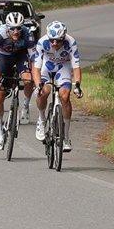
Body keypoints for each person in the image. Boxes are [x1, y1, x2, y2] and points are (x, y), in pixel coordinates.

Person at [31, 21, 83, 152]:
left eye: (58, 41)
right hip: (46, 68)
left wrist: (77, 85)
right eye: (52, 40)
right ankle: (42, 120)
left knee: (65, 97)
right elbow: (36, 68)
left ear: (63, 38)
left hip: (63, 68)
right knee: (43, 92)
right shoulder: (42, 42)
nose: (54, 44)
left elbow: (76, 67)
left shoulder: (71, 43)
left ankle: (65, 136)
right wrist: (38, 86)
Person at [0, 12, 37, 151]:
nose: (16, 32)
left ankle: (25, 106)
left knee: (28, 81)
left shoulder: (28, 34)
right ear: (7, 28)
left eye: (18, 28)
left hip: (20, 56)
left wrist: (35, 77)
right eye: (12, 28)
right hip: (4, 58)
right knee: (0, 93)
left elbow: (34, 59)